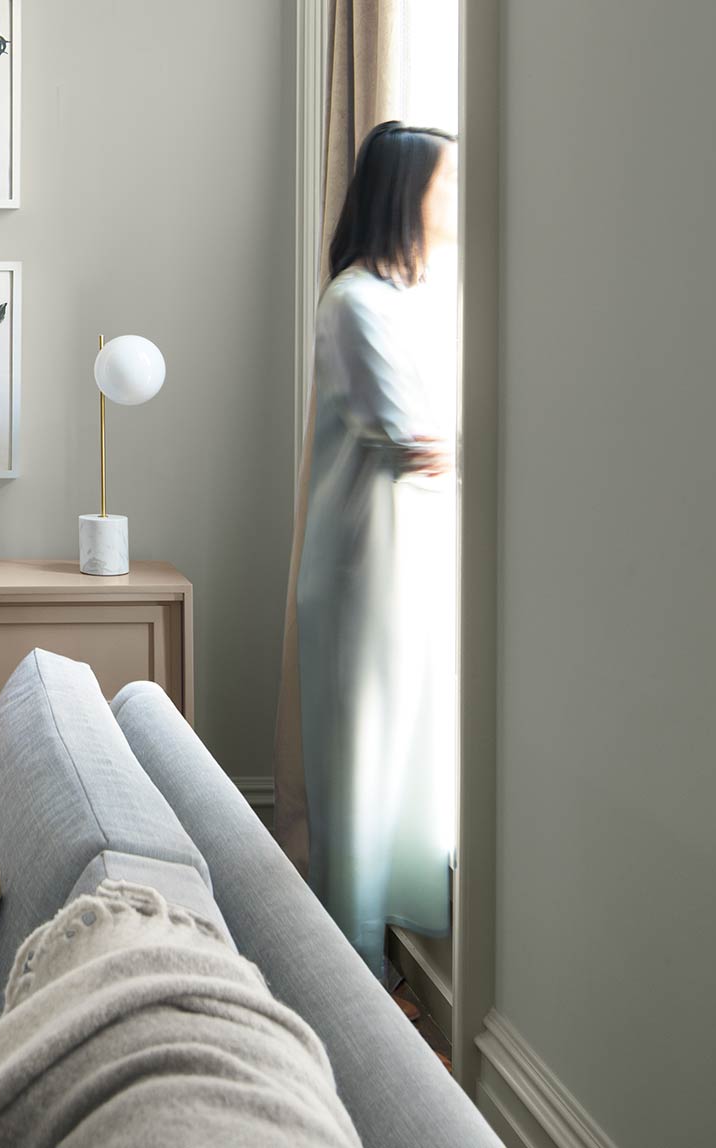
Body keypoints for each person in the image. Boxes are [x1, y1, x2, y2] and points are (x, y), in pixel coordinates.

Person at [279, 121, 459, 977]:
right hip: (359, 572)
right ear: (405, 193)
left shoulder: (405, 301)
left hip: (404, 564)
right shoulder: (353, 300)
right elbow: (405, 434)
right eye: (444, 184)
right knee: (357, 769)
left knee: (401, 757)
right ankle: (348, 973)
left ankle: (381, 949)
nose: (455, 201)